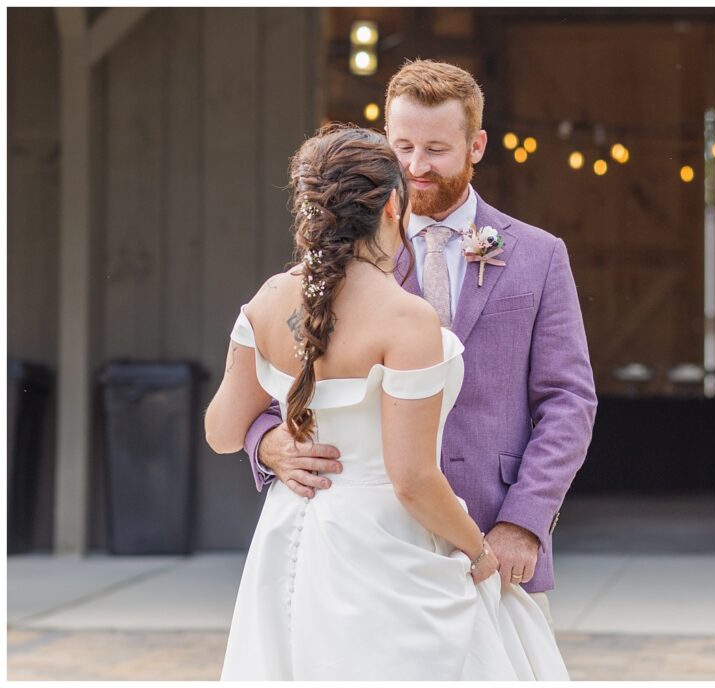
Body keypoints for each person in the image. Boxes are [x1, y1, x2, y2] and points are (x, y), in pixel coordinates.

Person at [207, 123, 570, 679]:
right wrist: (476, 553)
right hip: (388, 543)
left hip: (290, 539)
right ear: (392, 205)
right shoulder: (405, 319)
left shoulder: (269, 299)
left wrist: (275, 436)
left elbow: (222, 430)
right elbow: (412, 479)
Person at [243, 60, 596, 626]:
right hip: (371, 550)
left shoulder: (540, 256)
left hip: (493, 533)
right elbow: (271, 381)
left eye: (435, 149)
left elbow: (569, 402)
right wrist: (267, 444)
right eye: (401, 146)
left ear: (476, 145)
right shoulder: (334, 262)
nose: (414, 166)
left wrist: (523, 522)